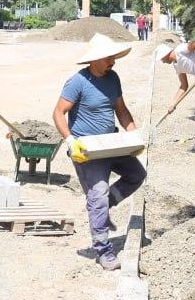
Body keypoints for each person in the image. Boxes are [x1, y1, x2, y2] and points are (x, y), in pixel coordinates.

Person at [53, 33, 146, 271]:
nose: (113, 61)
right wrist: (70, 140)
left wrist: (132, 134)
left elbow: (122, 110)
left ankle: (104, 209)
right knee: (98, 194)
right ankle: (104, 250)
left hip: (110, 143)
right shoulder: (78, 82)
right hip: (87, 149)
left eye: (113, 57)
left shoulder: (112, 78)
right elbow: (58, 113)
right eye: (108, 58)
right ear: (94, 60)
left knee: (136, 174)